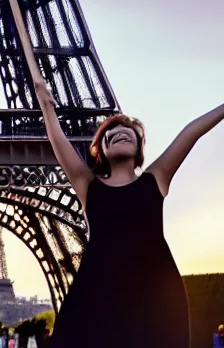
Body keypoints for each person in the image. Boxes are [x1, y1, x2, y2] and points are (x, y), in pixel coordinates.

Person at [34, 76, 224, 348]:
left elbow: (190, 131)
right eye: (110, 133)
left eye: (129, 131)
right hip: (99, 295)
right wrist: (47, 107)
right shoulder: (88, 186)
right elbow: (58, 140)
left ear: (139, 150)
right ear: (100, 151)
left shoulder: (156, 178)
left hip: (152, 296)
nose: (120, 131)